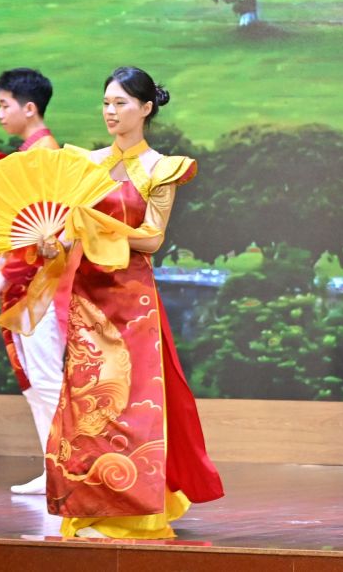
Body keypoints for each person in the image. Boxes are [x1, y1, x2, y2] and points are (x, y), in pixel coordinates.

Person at [31, 67, 223, 539]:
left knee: (131, 403)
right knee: (87, 404)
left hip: (132, 300)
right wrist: (52, 243)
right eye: (106, 103)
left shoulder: (161, 168)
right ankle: (89, 508)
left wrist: (100, 229)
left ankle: (132, 514)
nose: (111, 112)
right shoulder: (86, 164)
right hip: (88, 295)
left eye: (120, 103)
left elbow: (153, 239)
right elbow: (66, 230)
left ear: (146, 108)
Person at [0, 68, 64, 495]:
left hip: (42, 285)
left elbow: (41, 231)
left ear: (29, 108)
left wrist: (8, 271)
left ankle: (72, 469)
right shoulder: (28, 155)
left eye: (4, 105)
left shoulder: (44, 156)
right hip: (27, 285)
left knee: (47, 379)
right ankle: (55, 468)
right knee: (34, 383)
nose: (0, 114)